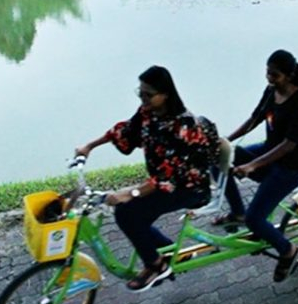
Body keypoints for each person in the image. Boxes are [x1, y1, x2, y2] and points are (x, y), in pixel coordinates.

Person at [74, 66, 220, 291]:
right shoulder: (147, 112)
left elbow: (168, 176)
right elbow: (124, 131)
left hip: (189, 187)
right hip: (166, 183)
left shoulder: (184, 126)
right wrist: (89, 147)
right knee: (131, 214)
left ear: (166, 95)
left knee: (128, 212)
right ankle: (171, 252)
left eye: (148, 94)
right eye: (140, 93)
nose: (143, 99)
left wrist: (128, 193)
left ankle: (156, 266)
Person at [216, 50, 298, 282]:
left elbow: (289, 145)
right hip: (269, 151)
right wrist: (224, 143)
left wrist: (252, 165)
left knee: (256, 220)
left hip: (290, 165)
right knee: (220, 159)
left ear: (289, 76)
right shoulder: (272, 92)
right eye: (268, 73)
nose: (269, 78)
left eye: (275, 75)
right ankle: (237, 211)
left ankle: (288, 250)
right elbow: (254, 119)